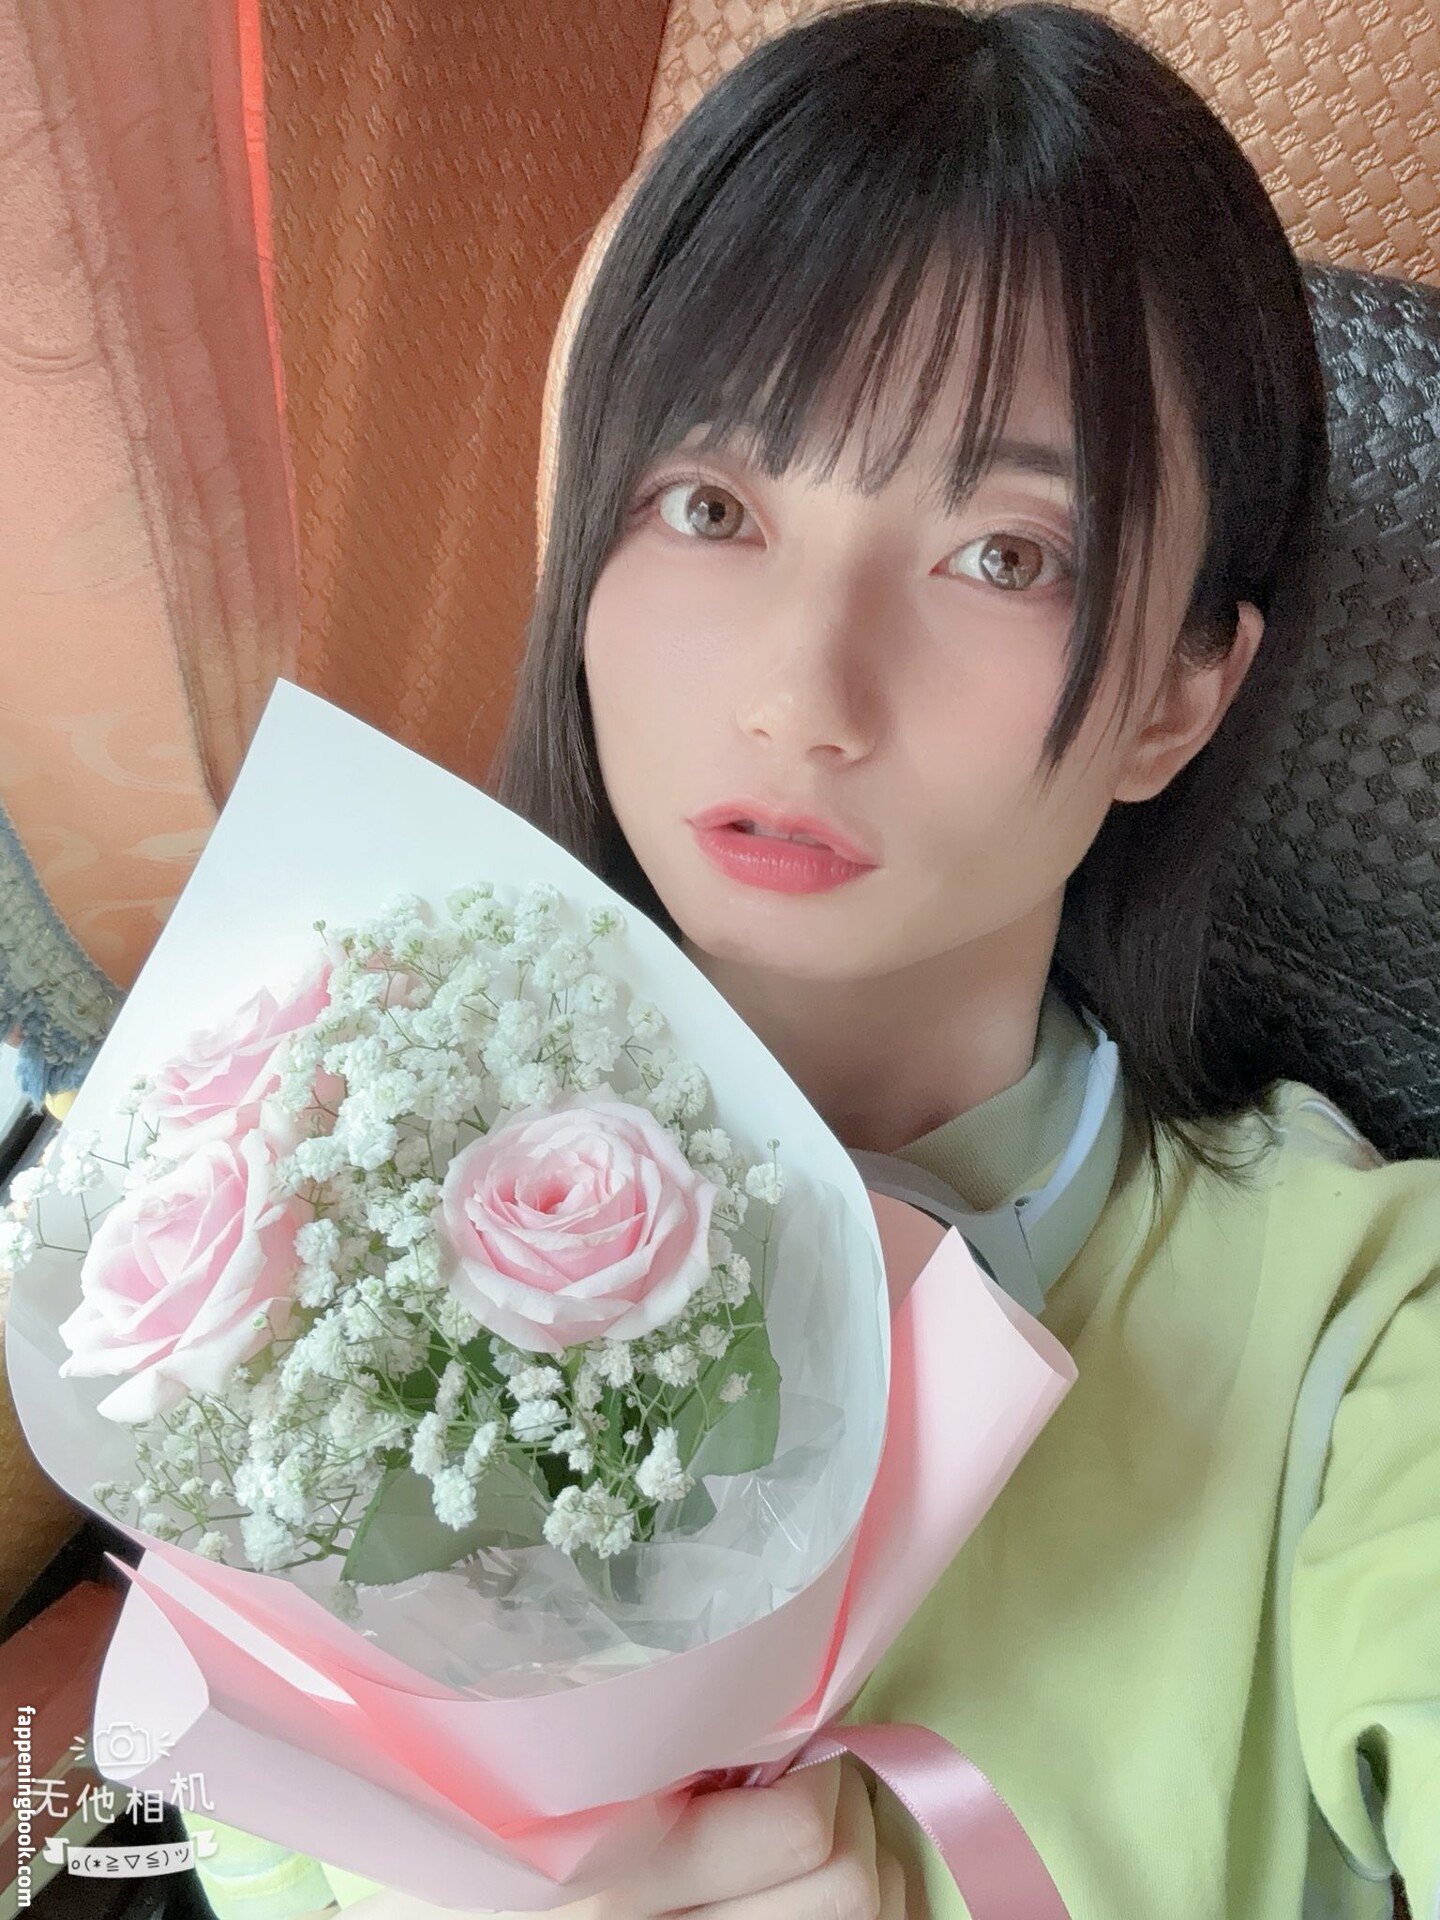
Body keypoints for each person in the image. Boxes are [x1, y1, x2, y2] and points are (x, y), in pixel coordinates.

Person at [185, 4, 1440, 1917]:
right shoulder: (316, 1237)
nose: (802, 694)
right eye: (713, 506)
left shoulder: (1364, 1331)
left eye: (1004, 554)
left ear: (1181, 693)